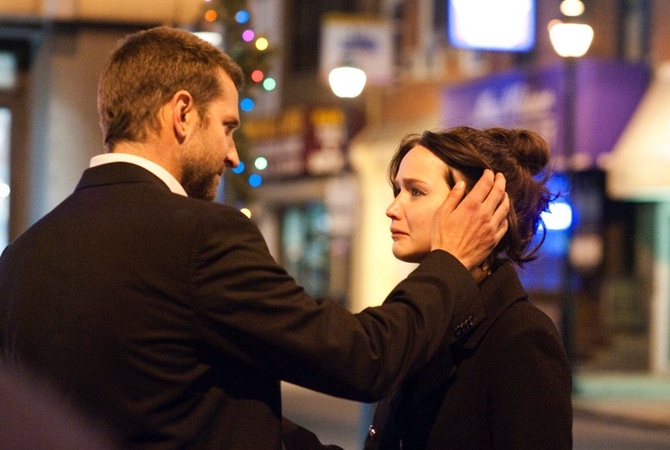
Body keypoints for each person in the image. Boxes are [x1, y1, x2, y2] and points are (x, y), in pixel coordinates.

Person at [0, 26, 511, 450]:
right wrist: (450, 260)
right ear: (182, 113)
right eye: (227, 127)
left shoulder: (22, 257)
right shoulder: (201, 235)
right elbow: (362, 359)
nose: (233, 155)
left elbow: (187, 406)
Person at [364, 127, 573, 449]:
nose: (392, 208)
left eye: (416, 191)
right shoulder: (422, 317)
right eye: (398, 190)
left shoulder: (521, 335)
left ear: (478, 206)